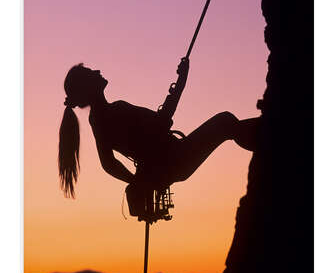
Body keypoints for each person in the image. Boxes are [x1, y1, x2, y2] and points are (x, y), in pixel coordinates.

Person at [58, 59, 261, 203]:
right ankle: (268, 139)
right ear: (88, 87)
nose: (97, 72)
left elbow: (109, 162)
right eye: (91, 73)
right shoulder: (107, 116)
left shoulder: (102, 117)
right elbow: (161, 122)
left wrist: (139, 181)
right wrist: (181, 81)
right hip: (175, 159)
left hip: (169, 164)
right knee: (225, 122)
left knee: (226, 124)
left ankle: (265, 134)